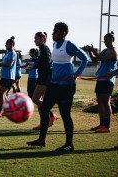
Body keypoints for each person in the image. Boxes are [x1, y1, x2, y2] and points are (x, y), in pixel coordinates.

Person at [27, 22, 89, 152]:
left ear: (63, 33)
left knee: (65, 115)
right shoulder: (54, 45)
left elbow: (85, 58)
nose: (52, 34)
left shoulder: (69, 45)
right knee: (44, 109)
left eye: (55, 32)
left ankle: (69, 144)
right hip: (53, 84)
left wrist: (76, 74)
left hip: (66, 86)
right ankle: (42, 140)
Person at [83, 32, 118, 133]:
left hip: (108, 79)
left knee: (106, 102)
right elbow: (94, 60)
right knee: (100, 102)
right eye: (104, 40)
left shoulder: (113, 51)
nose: (105, 42)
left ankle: (107, 126)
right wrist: (90, 51)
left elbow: (103, 58)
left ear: (111, 39)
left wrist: (93, 50)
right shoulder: (105, 50)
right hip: (101, 79)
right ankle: (102, 124)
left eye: (106, 40)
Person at [26, 32, 57, 130]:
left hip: (45, 78)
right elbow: (43, 60)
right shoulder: (42, 49)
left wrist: (33, 66)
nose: (34, 41)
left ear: (42, 38)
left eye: (36, 39)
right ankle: (44, 122)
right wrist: (34, 62)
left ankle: (51, 116)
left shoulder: (44, 48)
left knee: (35, 99)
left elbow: (47, 62)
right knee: (39, 100)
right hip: (42, 77)